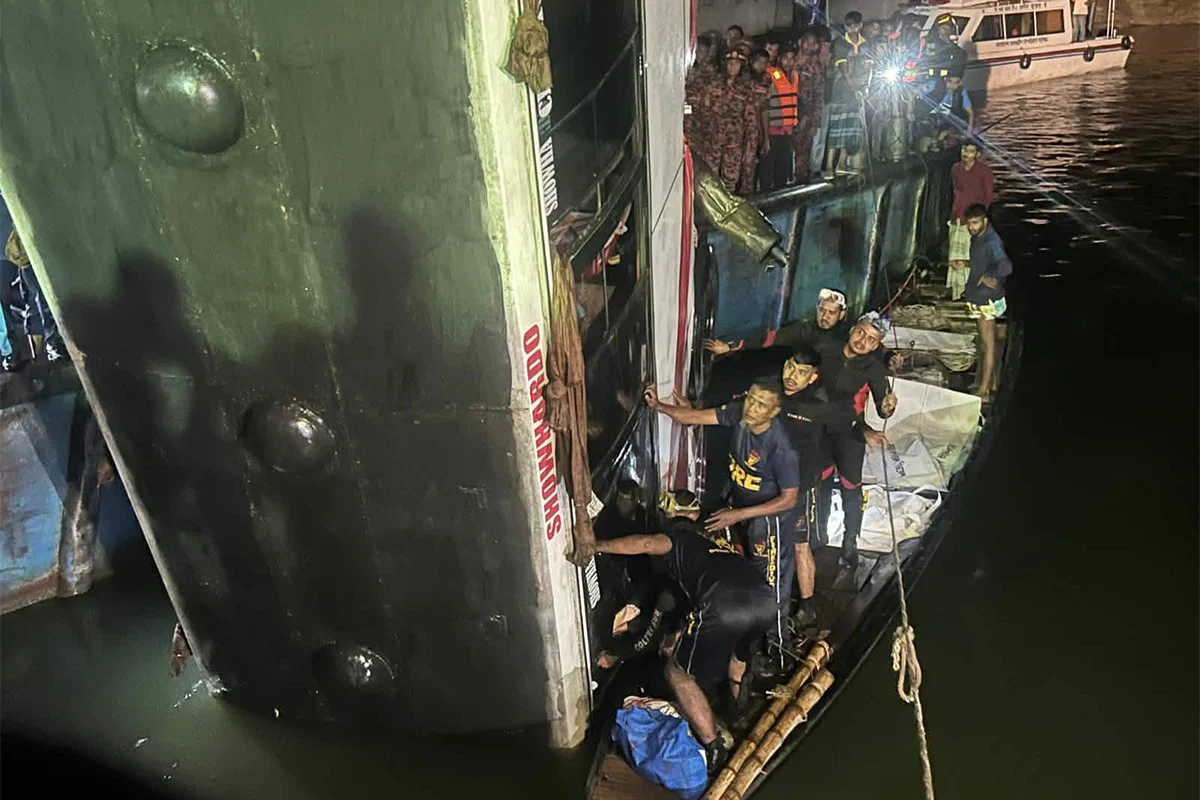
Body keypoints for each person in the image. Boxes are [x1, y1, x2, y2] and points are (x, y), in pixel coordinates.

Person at [585, 501, 777, 775]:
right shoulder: (717, 547)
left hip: (723, 603)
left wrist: (596, 546)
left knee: (677, 673)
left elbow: (646, 544)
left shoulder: (677, 540)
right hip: (766, 601)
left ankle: (714, 747)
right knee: (738, 658)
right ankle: (738, 715)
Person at [644, 378, 801, 655]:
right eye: (751, 399)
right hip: (741, 507)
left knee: (772, 583)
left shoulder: (781, 448)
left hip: (769, 520)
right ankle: (747, 638)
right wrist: (658, 406)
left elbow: (789, 499)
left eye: (761, 405)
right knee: (746, 572)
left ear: (774, 411)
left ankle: (777, 647)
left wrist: (739, 514)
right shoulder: (739, 413)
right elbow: (694, 417)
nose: (752, 408)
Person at [813, 312, 897, 569]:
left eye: (872, 340)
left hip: (849, 433)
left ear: (875, 346)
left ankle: (850, 540)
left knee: (851, 487)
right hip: (818, 429)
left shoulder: (873, 368)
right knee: (820, 482)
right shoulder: (825, 349)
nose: (863, 341)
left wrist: (888, 406)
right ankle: (819, 536)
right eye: (861, 332)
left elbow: (883, 407)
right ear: (851, 330)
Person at [777, 345, 848, 628]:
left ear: (813, 377)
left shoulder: (819, 409)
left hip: (800, 488)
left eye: (801, 372)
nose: (792, 376)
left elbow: (848, 431)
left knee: (800, 545)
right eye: (790, 367)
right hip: (768, 483)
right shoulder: (768, 396)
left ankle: (807, 605)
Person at [702, 287, 902, 372]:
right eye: (822, 310)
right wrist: (730, 346)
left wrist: (889, 356)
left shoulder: (849, 333)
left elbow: (872, 344)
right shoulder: (804, 330)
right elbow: (769, 339)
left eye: (831, 312)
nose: (825, 316)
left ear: (841, 314)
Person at [693, 49, 762, 195]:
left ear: (742, 66)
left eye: (736, 64)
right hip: (713, 140)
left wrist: (750, 147)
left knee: (730, 179)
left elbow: (751, 121)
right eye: (730, 63)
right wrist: (702, 136)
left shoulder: (746, 89)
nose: (733, 67)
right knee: (709, 177)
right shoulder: (713, 85)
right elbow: (703, 111)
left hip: (734, 142)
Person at [963, 204, 1012, 400]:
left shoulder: (992, 240)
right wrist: (965, 263)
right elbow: (981, 263)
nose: (971, 227)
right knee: (985, 343)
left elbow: (1006, 266)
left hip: (987, 300)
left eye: (975, 223)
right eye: (969, 224)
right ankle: (990, 383)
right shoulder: (978, 238)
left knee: (988, 344)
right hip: (979, 296)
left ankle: (984, 389)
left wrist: (990, 276)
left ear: (985, 220)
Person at [823, 11, 872, 180]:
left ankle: (841, 164)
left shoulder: (866, 44)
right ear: (845, 27)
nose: (852, 29)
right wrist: (856, 89)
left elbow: (869, 68)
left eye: (855, 26)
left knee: (850, 129)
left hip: (857, 93)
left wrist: (866, 88)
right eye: (849, 26)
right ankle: (829, 166)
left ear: (861, 25)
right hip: (841, 92)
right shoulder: (840, 43)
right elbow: (844, 71)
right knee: (836, 129)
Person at [947, 140, 995, 300]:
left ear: (977, 154)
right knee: (956, 253)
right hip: (957, 217)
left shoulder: (984, 171)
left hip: (974, 219)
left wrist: (980, 219)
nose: (965, 154)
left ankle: (972, 288)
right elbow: (955, 190)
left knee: (972, 254)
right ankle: (957, 289)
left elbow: (988, 196)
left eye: (970, 151)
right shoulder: (955, 169)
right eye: (964, 150)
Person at [759, 45, 800, 191]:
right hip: (772, 130)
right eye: (785, 58)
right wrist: (765, 138)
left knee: (782, 171)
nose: (788, 62)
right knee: (767, 171)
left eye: (792, 58)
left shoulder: (795, 76)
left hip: (788, 131)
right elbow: (763, 107)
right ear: (779, 58)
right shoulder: (769, 75)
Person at [792, 31, 827, 185]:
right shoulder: (788, 60)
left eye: (813, 43)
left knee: (803, 154)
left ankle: (800, 185)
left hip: (805, 116)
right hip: (785, 114)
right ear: (800, 42)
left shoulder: (816, 66)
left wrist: (814, 122)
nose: (810, 46)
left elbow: (819, 95)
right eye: (807, 42)